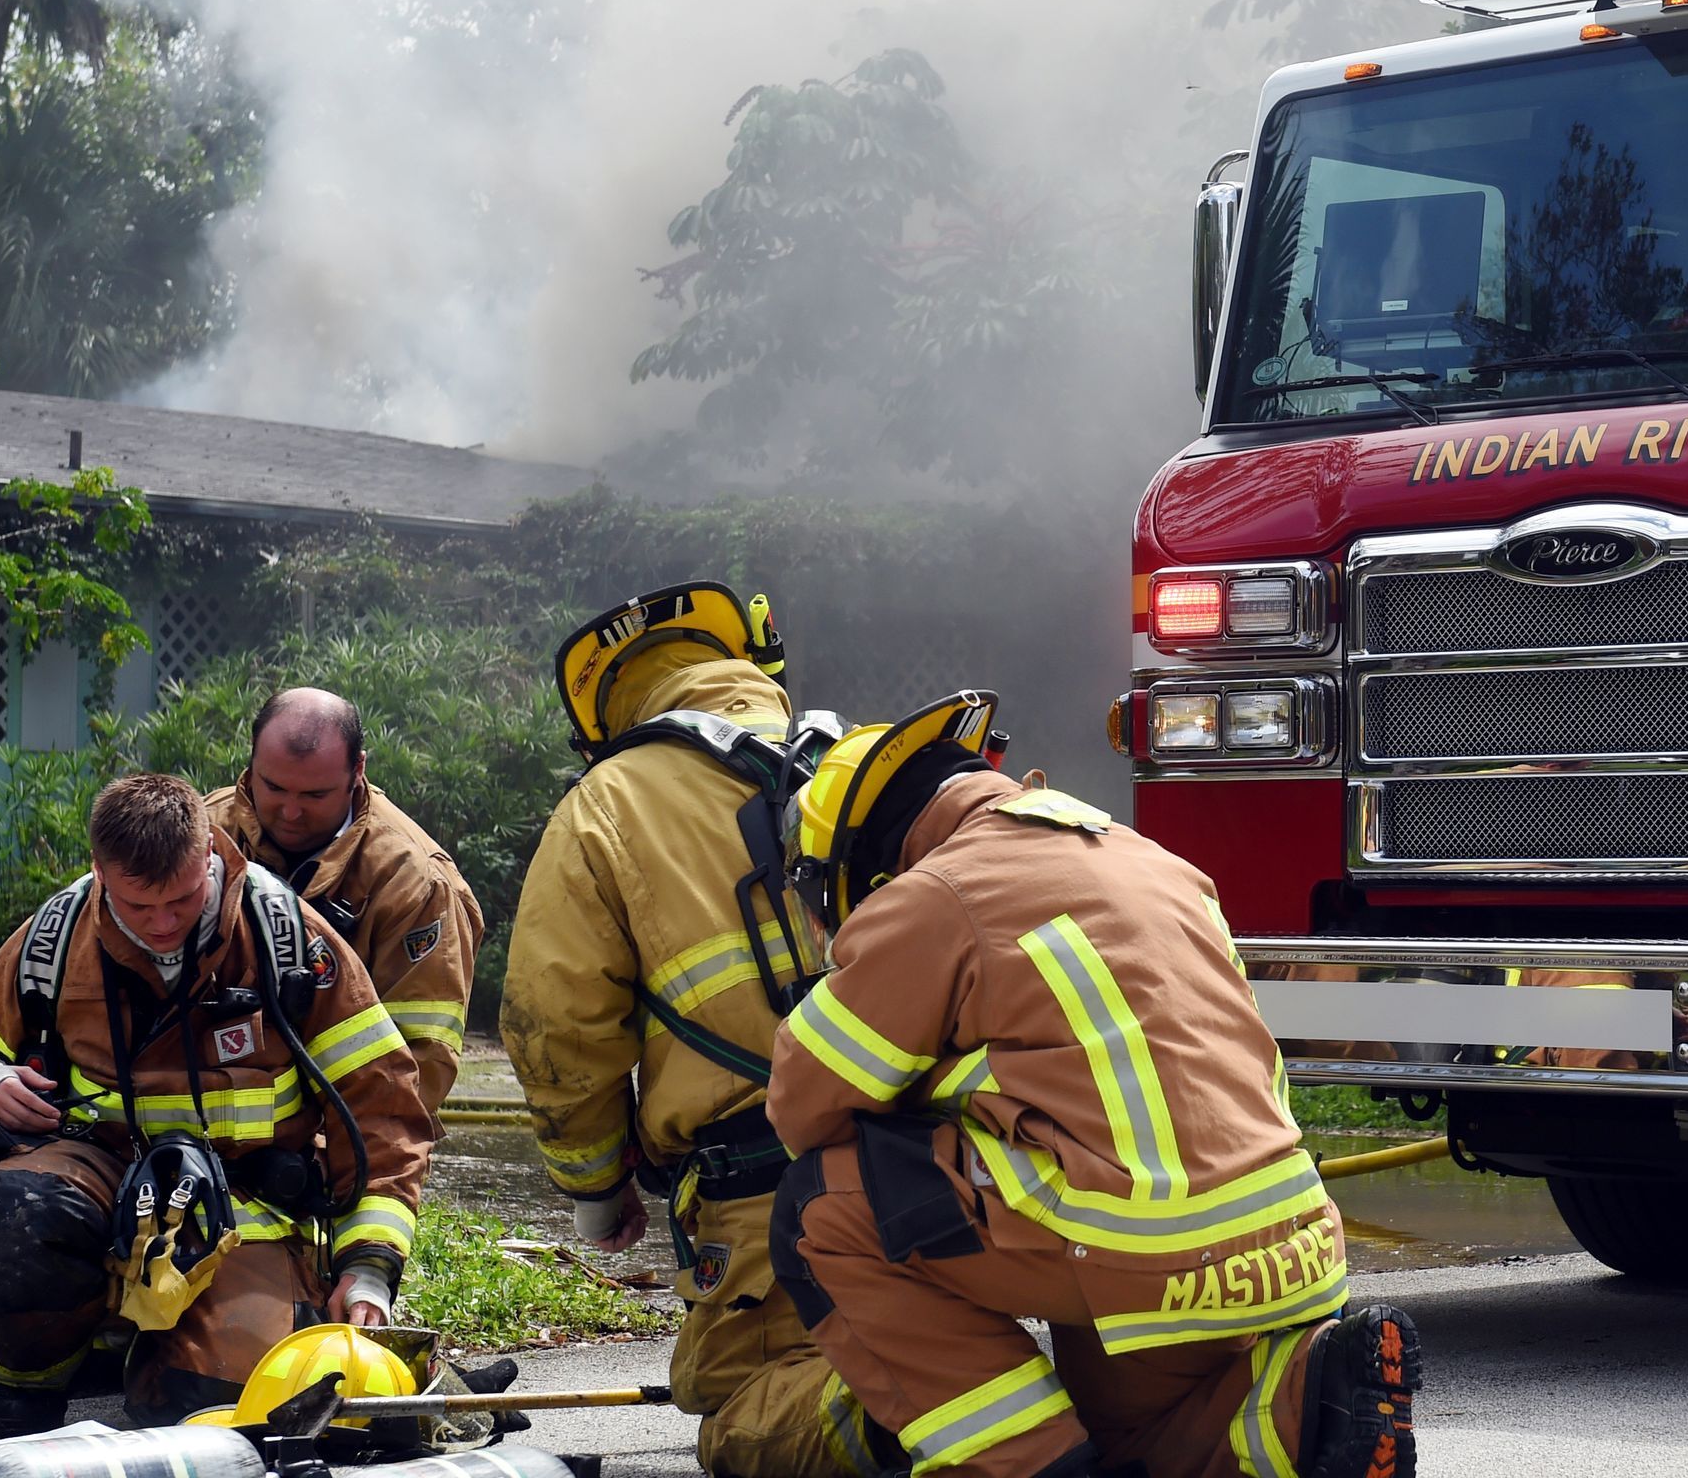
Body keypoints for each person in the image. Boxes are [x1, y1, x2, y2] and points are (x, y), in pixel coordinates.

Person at [763, 693, 1422, 1478]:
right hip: (1290, 1246)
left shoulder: (934, 893)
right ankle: (1309, 1400)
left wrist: (933, 1085)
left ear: (863, 865)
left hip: (1133, 1244)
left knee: (821, 1209)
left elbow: (803, 1105)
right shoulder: (1155, 862)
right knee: (1131, 1434)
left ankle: (1025, 1465)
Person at [0, 773, 434, 1435]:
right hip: (97, 1186)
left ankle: (161, 1349)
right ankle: (34, 1380)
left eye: (184, 900)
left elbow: (382, 1112)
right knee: (11, 1218)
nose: (163, 926)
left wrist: (369, 1267)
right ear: (100, 873)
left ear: (212, 859)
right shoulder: (53, 942)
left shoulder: (290, 943)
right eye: (139, 906)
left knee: (228, 1408)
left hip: (238, 1218)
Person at [501, 582, 879, 1478]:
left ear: (609, 715)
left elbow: (556, 1025)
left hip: (771, 1202)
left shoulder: (605, 806)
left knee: (742, 1415)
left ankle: (912, 1423)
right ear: (752, 663)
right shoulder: (865, 763)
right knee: (947, 1335)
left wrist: (597, 1192)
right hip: (951, 1170)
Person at [204, 687, 487, 1109]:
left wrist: (339, 1155)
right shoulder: (201, 836)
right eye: (274, 787)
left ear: (358, 769)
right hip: (202, 1119)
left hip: (340, 1129)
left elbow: (418, 1064)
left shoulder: (414, 881)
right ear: (251, 760)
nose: (291, 811)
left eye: (315, 795)